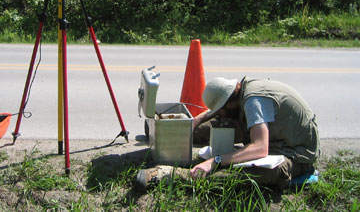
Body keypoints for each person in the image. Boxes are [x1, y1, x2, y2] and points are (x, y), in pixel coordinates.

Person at [136, 76, 320, 190]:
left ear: (229, 103)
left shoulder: (254, 102)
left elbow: (260, 148)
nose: (219, 113)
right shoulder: (240, 92)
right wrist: (196, 121)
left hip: (294, 151)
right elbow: (218, 109)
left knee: (252, 172)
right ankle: (161, 134)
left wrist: (215, 161)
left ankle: (172, 176)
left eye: (221, 110)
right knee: (209, 127)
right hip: (271, 132)